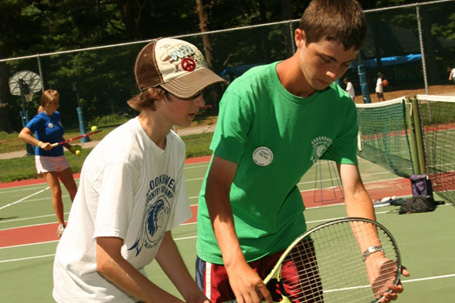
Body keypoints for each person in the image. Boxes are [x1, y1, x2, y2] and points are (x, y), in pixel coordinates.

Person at [195, 1, 409, 303]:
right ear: (300, 38)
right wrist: (234, 263)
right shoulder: (247, 93)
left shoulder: (340, 108)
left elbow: (354, 190)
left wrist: (373, 256)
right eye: (325, 59)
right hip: (227, 247)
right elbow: (216, 186)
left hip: (289, 237)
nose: (333, 73)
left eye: (345, 63)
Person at [53, 38, 226, 303]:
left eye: (201, 92)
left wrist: (195, 297)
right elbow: (106, 261)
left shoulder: (174, 147)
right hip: (88, 292)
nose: (201, 102)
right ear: (157, 92)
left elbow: (158, 236)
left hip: (123, 278)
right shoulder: (124, 157)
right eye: (191, 92)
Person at [18, 89, 78, 237]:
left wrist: (69, 147)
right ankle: (61, 225)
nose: (58, 106)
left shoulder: (56, 115)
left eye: (57, 102)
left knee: (73, 189)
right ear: (46, 104)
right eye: (55, 103)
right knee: (56, 191)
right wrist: (39, 143)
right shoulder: (39, 119)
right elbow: (23, 134)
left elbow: (58, 135)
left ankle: (79, 220)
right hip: (45, 159)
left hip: (60, 157)